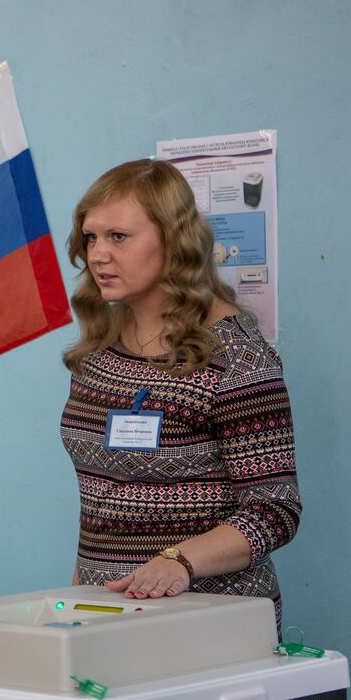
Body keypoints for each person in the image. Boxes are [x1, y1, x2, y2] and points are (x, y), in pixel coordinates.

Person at [61, 158, 301, 629]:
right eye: (91, 237)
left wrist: (180, 562)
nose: (98, 255)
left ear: (174, 241)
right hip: (105, 613)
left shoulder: (235, 356)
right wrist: (74, 606)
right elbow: (101, 502)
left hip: (210, 621)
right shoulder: (99, 352)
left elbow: (277, 508)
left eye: (119, 237)